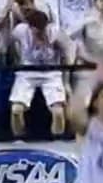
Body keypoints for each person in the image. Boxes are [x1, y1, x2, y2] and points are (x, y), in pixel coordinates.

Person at [11, 8, 74, 138]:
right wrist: (16, 59)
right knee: (16, 110)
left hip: (50, 72)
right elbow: (7, 42)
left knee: (57, 112)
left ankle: (57, 141)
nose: (38, 32)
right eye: (35, 29)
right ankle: (19, 140)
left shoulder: (55, 32)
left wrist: (66, 81)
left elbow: (69, 50)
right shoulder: (21, 30)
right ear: (30, 27)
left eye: (41, 29)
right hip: (27, 71)